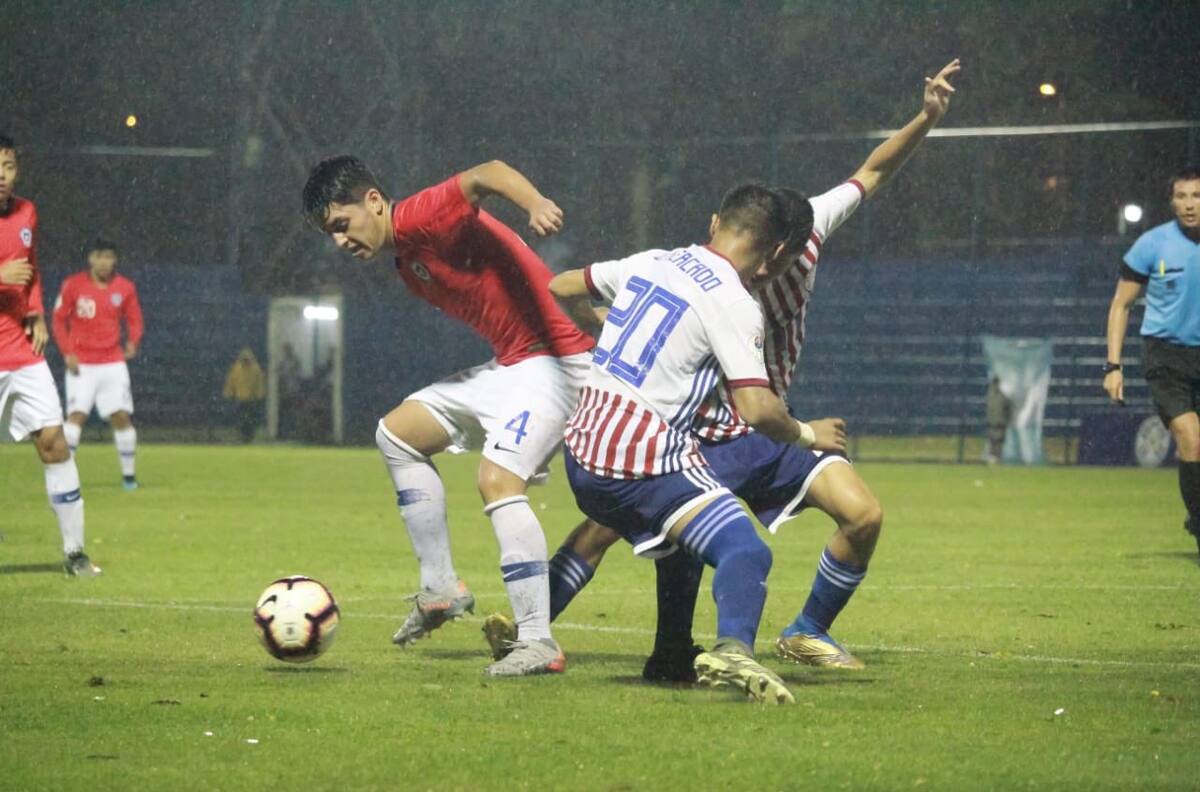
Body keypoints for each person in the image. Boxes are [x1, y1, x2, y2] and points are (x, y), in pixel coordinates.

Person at [485, 59, 962, 680]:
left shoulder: (776, 241)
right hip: (704, 428)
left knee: (862, 512)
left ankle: (804, 631)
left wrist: (926, 119)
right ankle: (570, 632)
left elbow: (873, 171)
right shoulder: (724, 289)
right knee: (630, 525)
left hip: (760, 425)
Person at [551, 183, 850, 703]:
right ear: (777, 252)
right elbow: (757, 409)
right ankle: (733, 650)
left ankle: (545, 633)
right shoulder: (733, 300)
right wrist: (808, 435)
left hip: (580, 451)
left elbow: (561, 285)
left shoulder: (651, 260)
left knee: (664, 540)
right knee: (745, 552)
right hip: (640, 457)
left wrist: (602, 330)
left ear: (716, 223)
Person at [302, 157, 594, 676]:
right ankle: (440, 586)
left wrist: (535, 203)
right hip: (515, 366)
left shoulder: (418, 217)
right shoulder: (405, 257)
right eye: (331, 233)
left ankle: (537, 639)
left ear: (373, 201)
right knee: (397, 434)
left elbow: (485, 173)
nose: (340, 242)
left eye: (342, 224)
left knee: (497, 481)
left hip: (559, 362)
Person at [0, 134, 98, 576]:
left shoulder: (26, 212)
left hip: (20, 351)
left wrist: (36, 312)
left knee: (54, 443)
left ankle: (75, 552)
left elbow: (32, 270)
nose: (2, 176)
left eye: (8, 166)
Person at [1104, 165, 1200, 555]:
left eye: (1196, 196)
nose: (1189, 204)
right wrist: (1113, 366)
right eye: (1182, 196)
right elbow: (1121, 305)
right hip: (1166, 357)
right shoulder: (1151, 244)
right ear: (1172, 200)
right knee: (1191, 439)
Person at [52, 238, 144, 489]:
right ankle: (64, 478)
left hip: (113, 363)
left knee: (121, 417)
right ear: (90, 259)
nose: (104, 262)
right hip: (81, 364)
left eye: (109, 257)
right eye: (99, 256)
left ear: (115, 260)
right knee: (76, 417)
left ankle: (129, 477)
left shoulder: (124, 288)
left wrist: (133, 341)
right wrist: (67, 352)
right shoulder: (73, 285)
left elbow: (135, 319)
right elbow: (59, 321)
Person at [223, 347, 266, 443]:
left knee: (249, 420)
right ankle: (243, 436)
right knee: (242, 420)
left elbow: (260, 383)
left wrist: (259, 395)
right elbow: (230, 382)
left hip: (251, 400)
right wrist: (228, 393)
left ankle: (248, 436)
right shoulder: (236, 369)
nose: (245, 361)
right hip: (240, 399)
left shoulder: (255, 369)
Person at [275, 342, 302, 440]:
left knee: (292, 414)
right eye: (285, 349)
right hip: (284, 392)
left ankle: (293, 434)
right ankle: (281, 434)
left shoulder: (295, 361)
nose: (286, 351)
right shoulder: (282, 362)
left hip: (293, 391)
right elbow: (278, 373)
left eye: (287, 349)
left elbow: (296, 371)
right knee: (282, 414)